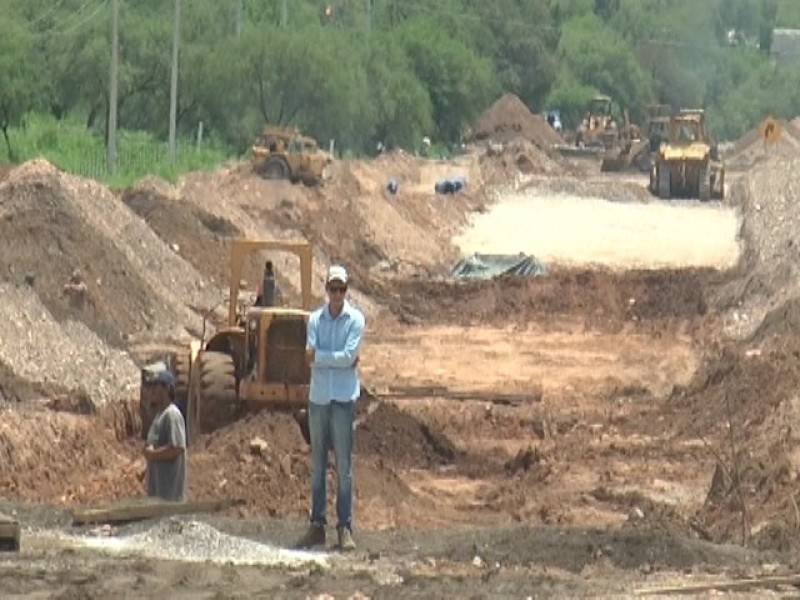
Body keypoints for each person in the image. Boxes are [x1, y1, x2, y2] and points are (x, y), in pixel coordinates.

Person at [295, 265, 365, 551]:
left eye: (341, 289)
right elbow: (319, 358)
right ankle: (317, 525)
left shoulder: (356, 320)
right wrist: (337, 360)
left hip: (342, 399)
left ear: (346, 290)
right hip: (319, 398)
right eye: (332, 289)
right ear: (326, 289)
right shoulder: (314, 320)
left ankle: (345, 526)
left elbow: (346, 357)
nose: (336, 294)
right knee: (318, 466)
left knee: (344, 467)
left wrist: (322, 358)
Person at [142, 366, 187, 502]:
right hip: (158, 494)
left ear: (167, 389)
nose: (152, 391)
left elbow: (177, 448)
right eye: (151, 386)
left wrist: (152, 455)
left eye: (157, 386)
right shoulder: (159, 416)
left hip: (169, 498)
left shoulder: (172, 415)